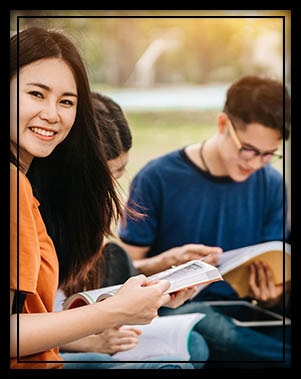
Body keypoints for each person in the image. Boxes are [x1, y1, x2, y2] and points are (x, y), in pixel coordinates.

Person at [10, 26, 196, 370]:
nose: (53, 113)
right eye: (36, 94)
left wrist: (142, 297)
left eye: (67, 101)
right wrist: (113, 312)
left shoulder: (26, 185)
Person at [116, 75, 291, 367]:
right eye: (247, 150)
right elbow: (124, 271)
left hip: (245, 311)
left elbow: (275, 264)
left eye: (267, 155)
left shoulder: (271, 183)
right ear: (223, 125)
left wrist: (273, 294)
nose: (254, 163)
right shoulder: (157, 177)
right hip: (176, 311)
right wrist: (166, 261)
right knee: (209, 326)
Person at [54, 91, 209, 369]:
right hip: (59, 342)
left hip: (84, 326)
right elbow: (27, 327)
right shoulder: (32, 212)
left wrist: (156, 282)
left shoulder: (83, 219)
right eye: (101, 177)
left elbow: (72, 301)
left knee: (194, 346)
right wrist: (91, 340)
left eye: (119, 172)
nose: (109, 189)